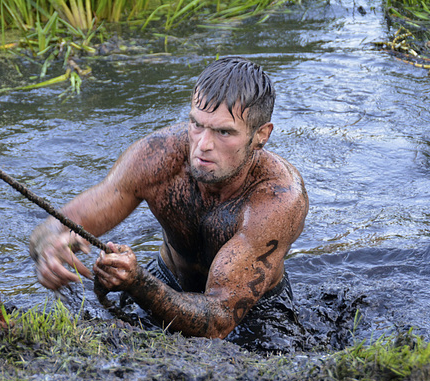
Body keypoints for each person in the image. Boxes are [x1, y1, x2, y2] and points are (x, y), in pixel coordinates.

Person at [30, 56, 308, 342]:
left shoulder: (278, 199)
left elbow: (218, 321)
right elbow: (58, 225)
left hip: (253, 311)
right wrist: (48, 245)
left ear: (261, 135)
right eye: (196, 124)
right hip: (167, 279)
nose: (203, 145)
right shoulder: (158, 157)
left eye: (224, 132)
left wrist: (138, 282)